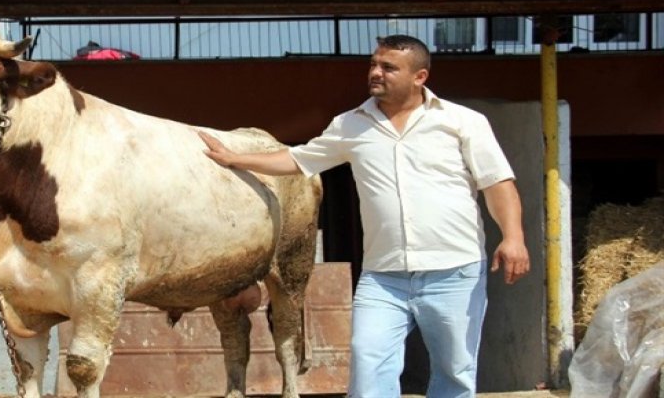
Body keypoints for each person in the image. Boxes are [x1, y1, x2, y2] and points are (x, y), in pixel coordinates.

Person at [198, 34, 530, 398]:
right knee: (368, 365)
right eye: (373, 64)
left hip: (455, 271)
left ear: (420, 77)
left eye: (388, 67)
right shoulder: (351, 125)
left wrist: (513, 238)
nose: (376, 72)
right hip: (384, 278)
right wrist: (235, 159)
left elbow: (497, 184)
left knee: (454, 373)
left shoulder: (463, 122)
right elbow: (298, 159)